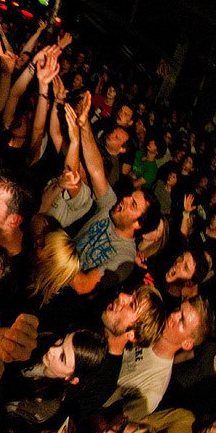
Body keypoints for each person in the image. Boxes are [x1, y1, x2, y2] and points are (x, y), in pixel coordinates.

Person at [70, 96, 162, 294]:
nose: (125, 200)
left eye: (133, 205)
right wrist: (84, 125)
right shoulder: (111, 205)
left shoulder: (124, 257)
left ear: (138, 224)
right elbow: (96, 169)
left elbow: (83, 285)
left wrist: (57, 250)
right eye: (130, 197)